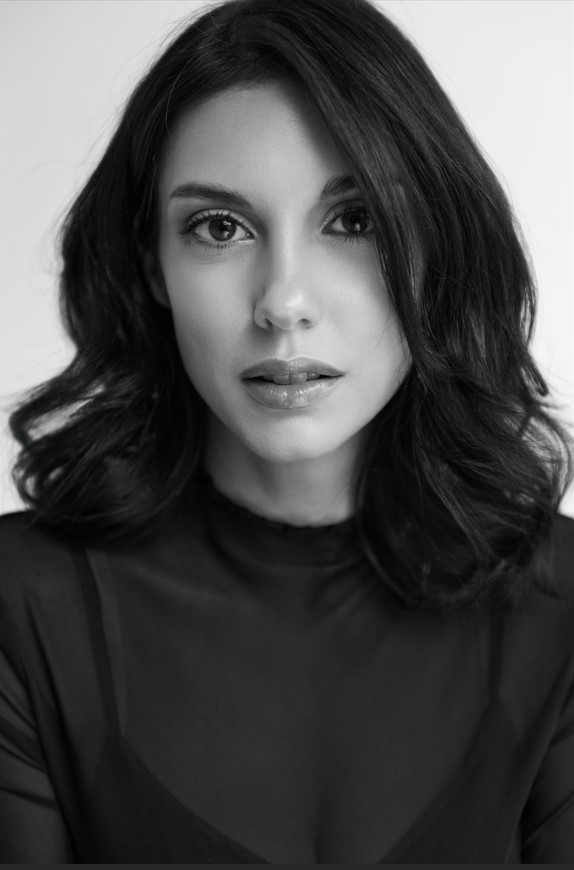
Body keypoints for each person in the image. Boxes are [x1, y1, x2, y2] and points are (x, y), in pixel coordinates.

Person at [1, 0, 573, 862]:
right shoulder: (23, 609)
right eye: (219, 228)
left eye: (356, 220)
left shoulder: (560, 612)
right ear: (153, 264)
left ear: (439, 246)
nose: (284, 303)